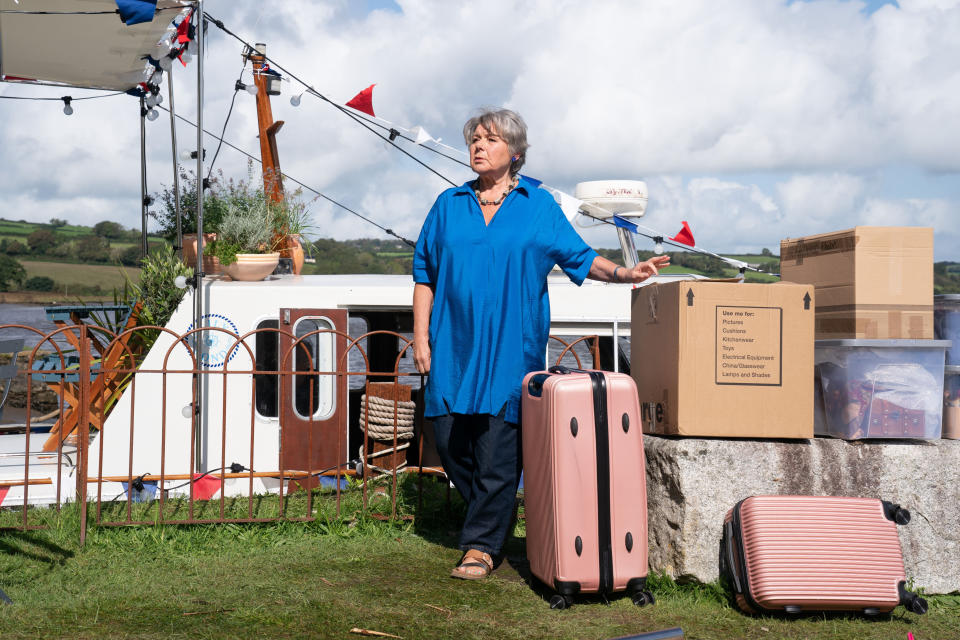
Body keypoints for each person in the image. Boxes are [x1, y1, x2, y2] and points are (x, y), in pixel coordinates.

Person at [412, 108, 669, 580]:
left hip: (512, 346)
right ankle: (495, 517)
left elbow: (580, 257)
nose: (478, 146)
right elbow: (424, 275)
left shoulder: (538, 205)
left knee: (496, 448)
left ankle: (480, 546)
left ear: (515, 152)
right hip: (453, 344)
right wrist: (421, 335)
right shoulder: (448, 205)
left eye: (489, 139)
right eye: (474, 138)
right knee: (448, 439)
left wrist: (625, 274)